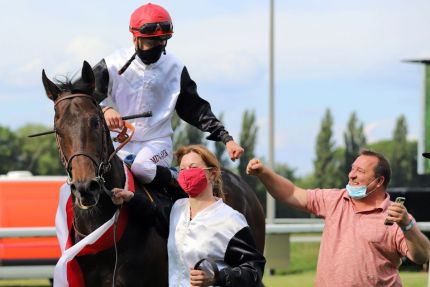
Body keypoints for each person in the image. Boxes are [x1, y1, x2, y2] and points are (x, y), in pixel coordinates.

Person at [92, 3, 243, 187]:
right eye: (150, 42)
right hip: (117, 142)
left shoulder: (175, 68)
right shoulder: (112, 63)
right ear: (134, 38)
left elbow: (196, 109)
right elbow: (80, 97)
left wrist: (226, 139)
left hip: (156, 144)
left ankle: (176, 180)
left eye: (161, 40)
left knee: (141, 168)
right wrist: (105, 109)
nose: (156, 46)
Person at [247, 149, 430, 287]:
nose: (351, 174)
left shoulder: (396, 215)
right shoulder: (334, 199)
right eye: (352, 169)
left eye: (360, 171)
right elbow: (291, 193)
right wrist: (264, 173)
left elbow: (422, 256)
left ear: (379, 181)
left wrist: (407, 225)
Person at [112, 144, 265, 286]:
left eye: (193, 168)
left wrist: (218, 277)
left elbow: (254, 270)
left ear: (212, 174)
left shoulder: (231, 220)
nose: (186, 174)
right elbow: (154, 214)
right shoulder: (178, 209)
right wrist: (131, 199)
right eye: (182, 170)